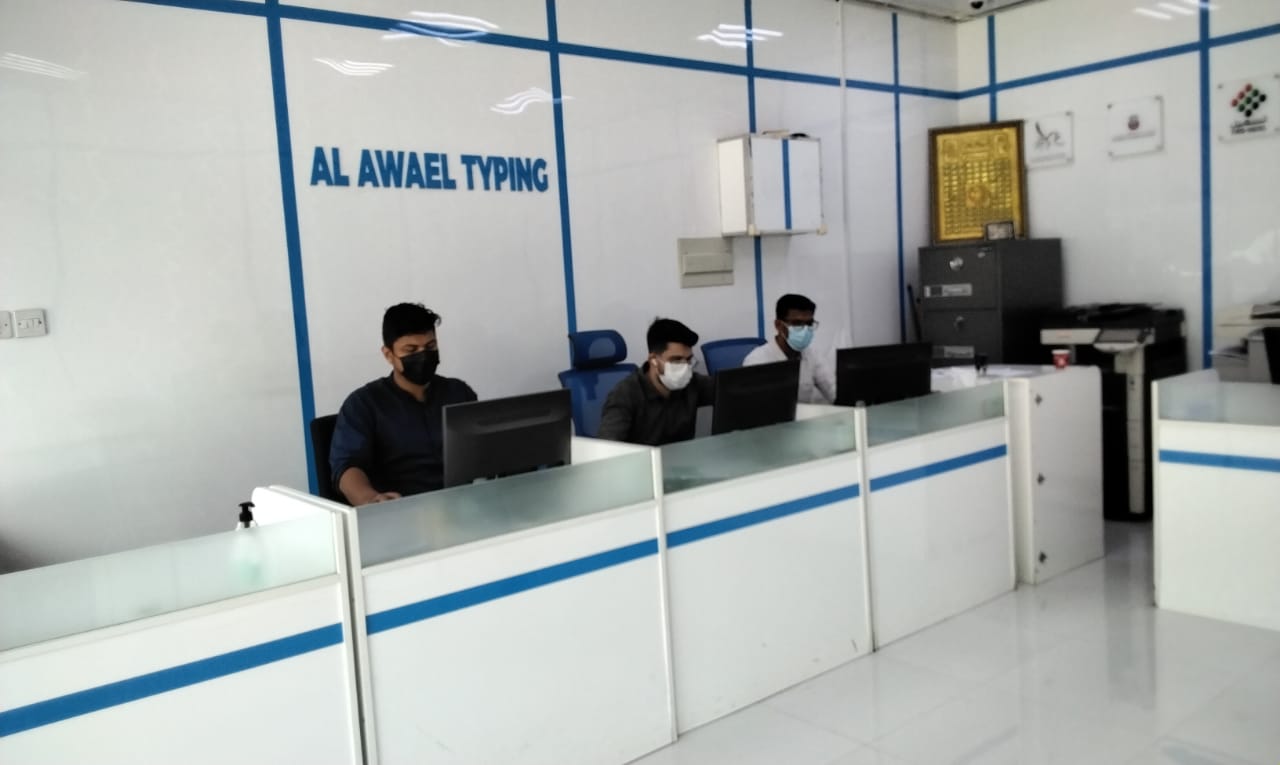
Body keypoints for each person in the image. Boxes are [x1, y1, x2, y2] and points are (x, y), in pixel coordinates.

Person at [329, 303, 477, 505]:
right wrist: (370, 499)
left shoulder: (459, 393)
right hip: (401, 508)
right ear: (388, 355)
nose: (423, 356)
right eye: (411, 350)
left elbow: (481, 451)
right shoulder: (363, 404)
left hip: (462, 504)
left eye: (430, 347)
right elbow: (346, 468)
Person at [597, 318, 714, 445]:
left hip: (683, 456)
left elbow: (726, 389)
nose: (685, 367)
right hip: (642, 458)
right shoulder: (625, 394)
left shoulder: (692, 383)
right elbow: (607, 448)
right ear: (653, 360)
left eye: (689, 360)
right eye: (676, 360)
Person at [743, 293, 836, 404]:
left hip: (805, 414)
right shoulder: (756, 361)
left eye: (809, 323)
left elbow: (834, 390)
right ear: (778, 325)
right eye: (797, 323)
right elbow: (753, 406)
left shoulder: (812, 354)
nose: (805, 330)